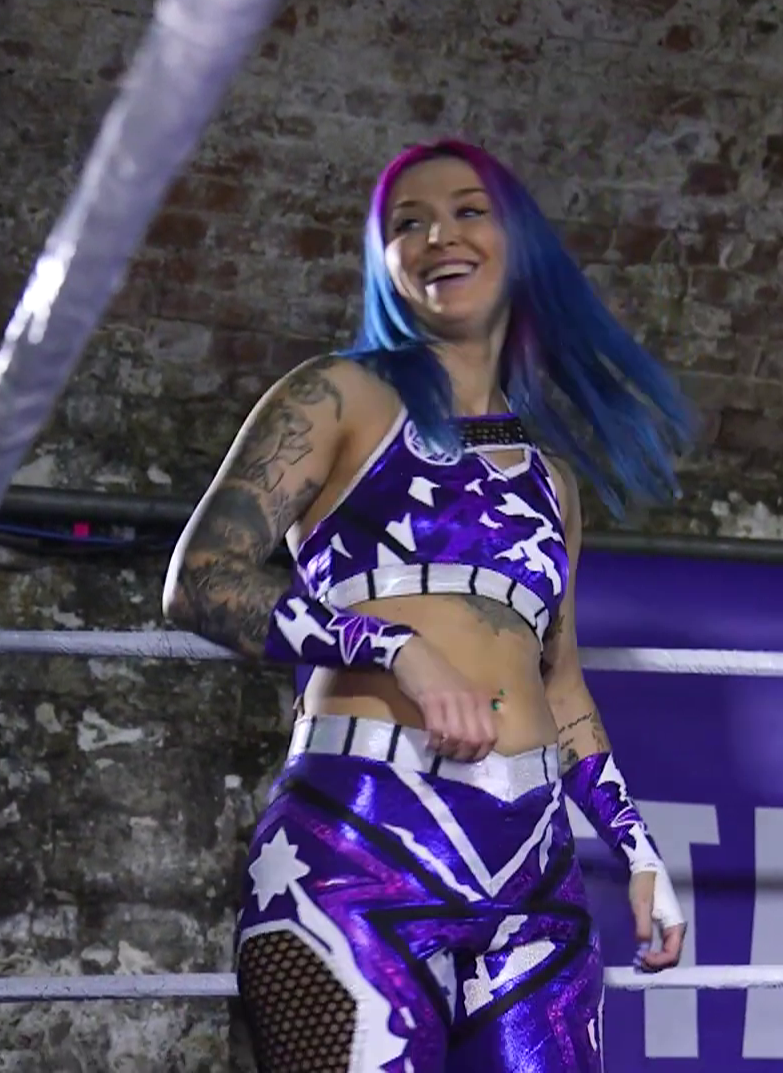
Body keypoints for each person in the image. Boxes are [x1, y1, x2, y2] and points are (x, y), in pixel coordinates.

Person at [161, 138, 698, 1073]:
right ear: (385, 261)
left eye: (466, 211)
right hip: (359, 840)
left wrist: (638, 850)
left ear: (519, 242)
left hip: (535, 865)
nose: (437, 236)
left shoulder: (552, 480)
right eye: (407, 223)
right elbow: (201, 579)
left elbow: (562, 685)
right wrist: (394, 648)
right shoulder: (338, 396)